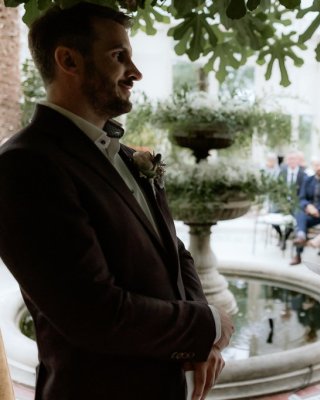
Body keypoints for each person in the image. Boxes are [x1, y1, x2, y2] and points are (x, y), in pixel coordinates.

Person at [0, 4, 233, 400]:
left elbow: (175, 251)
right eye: (118, 56)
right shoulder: (25, 165)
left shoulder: (126, 155)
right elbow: (92, 313)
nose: (135, 72)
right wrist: (206, 323)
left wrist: (200, 345)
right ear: (68, 60)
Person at [289, 158, 320, 265]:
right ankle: (300, 242)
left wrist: (317, 210)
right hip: (309, 213)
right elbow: (302, 198)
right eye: (317, 165)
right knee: (299, 213)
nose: (319, 168)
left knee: (300, 221)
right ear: (313, 167)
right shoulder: (308, 180)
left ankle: (299, 245)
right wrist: (308, 206)